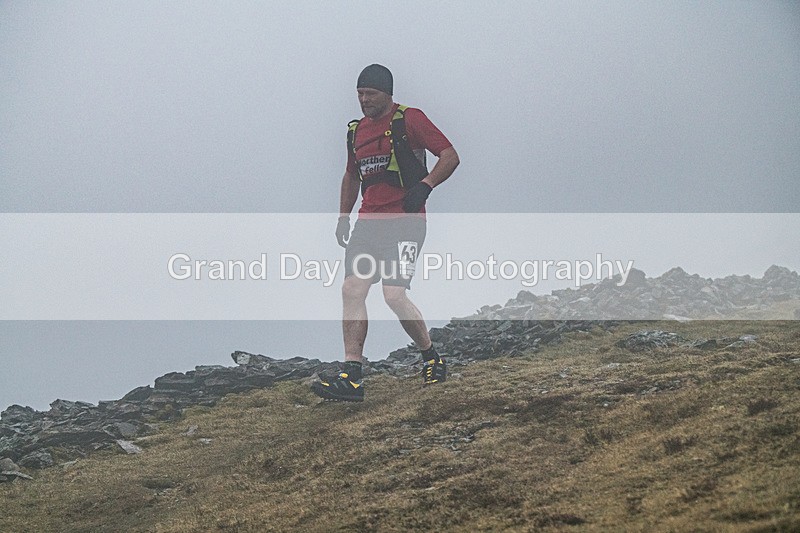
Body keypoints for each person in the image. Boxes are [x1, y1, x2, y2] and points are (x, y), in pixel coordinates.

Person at [311, 64, 460, 402]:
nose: (364, 100)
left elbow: (450, 156)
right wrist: (342, 217)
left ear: (387, 93)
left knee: (393, 295)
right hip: (368, 225)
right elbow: (352, 176)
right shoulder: (356, 132)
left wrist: (426, 185)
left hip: (407, 223)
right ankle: (352, 376)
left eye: (371, 94)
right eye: (360, 94)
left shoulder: (409, 119)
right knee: (352, 289)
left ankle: (431, 357)